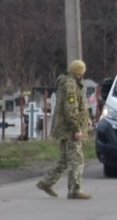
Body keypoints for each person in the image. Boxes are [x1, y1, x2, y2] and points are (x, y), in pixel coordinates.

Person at [38, 60, 93, 199]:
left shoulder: (70, 83)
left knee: (64, 159)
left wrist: (86, 120)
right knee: (77, 159)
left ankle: (46, 182)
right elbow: (70, 110)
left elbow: (77, 107)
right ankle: (75, 190)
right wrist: (77, 129)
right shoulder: (71, 85)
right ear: (79, 73)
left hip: (65, 128)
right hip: (69, 130)